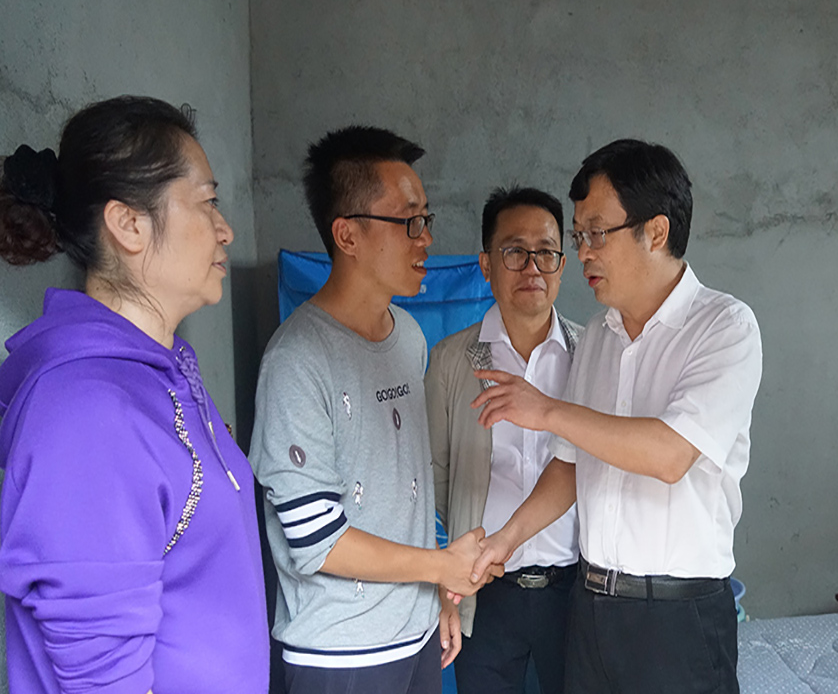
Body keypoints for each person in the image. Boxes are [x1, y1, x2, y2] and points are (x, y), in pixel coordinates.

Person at [470, 139, 763, 694]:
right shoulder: (599, 337)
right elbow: (570, 465)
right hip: (591, 609)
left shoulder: (724, 327)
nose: (583, 252)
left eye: (596, 233)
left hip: (676, 618)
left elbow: (670, 455)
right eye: (579, 235)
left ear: (656, 232)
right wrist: (506, 540)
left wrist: (548, 410)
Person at [0, 96, 269, 693]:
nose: (225, 228)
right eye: (207, 202)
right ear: (128, 224)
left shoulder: (162, 371)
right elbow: (102, 679)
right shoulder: (86, 413)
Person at [249, 126, 497, 694]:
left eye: (426, 219)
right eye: (408, 221)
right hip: (340, 655)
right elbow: (317, 539)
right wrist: (441, 567)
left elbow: (407, 492)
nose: (425, 238)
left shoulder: (407, 335)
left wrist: (437, 594)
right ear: (348, 235)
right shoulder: (296, 360)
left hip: (416, 637)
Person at [426, 186, 581, 694]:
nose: (532, 267)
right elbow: (434, 479)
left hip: (575, 589)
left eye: (546, 252)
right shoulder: (452, 360)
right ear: (486, 264)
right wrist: (448, 583)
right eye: (515, 251)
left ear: (562, 265)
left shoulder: (590, 355)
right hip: (486, 591)